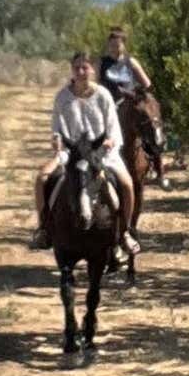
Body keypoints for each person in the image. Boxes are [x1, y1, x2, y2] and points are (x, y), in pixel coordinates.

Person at [32, 52, 139, 252]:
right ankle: (43, 228)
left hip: (101, 154)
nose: (81, 72)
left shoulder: (103, 96)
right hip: (71, 154)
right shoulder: (62, 97)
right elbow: (56, 127)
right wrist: (56, 139)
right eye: (77, 68)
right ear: (72, 70)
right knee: (42, 178)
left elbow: (113, 129)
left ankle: (125, 231)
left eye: (85, 67)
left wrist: (108, 142)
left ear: (92, 70)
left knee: (127, 184)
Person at [99, 24, 165, 184]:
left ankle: (159, 169)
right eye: (112, 44)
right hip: (109, 104)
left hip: (130, 102)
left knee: (150, 124)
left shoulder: (131, 62)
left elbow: (147, 83)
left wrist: (137, 93)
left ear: (124, 44)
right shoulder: (102, 63)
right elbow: (96, 84)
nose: (114, 48)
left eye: (118, 44)